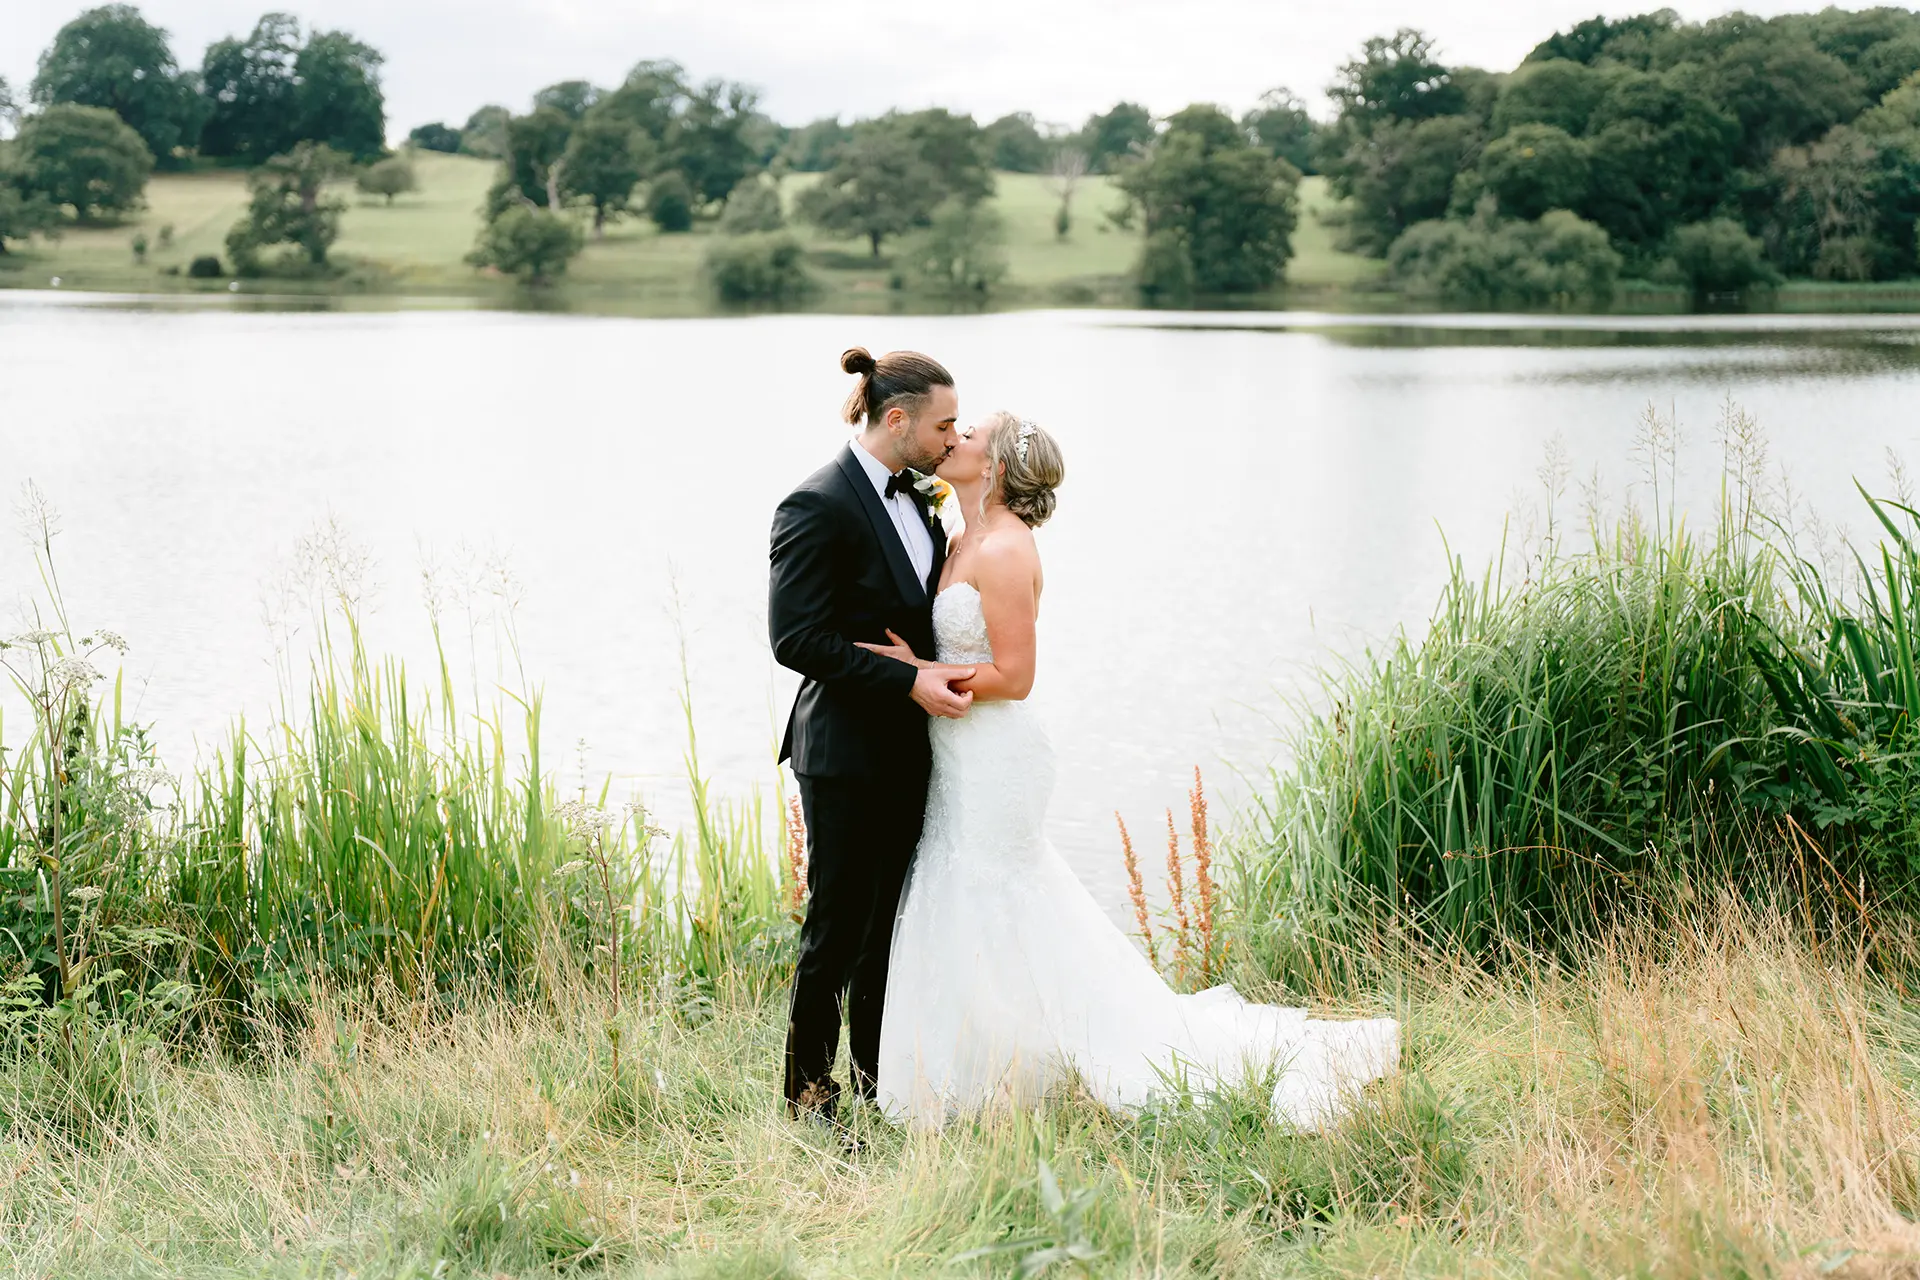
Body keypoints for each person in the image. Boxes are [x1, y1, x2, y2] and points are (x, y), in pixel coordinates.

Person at [862, 412, 1400, 1129]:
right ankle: (985, 1071)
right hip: (958, 749)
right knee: (967, 894)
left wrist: (920, 670)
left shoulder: (1006, 550)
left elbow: (1015, 676)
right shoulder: (961, 538)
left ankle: (1027, 1070)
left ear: (993, 469)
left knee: (994, 893)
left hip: (997, 754)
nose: (953, 440)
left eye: (970, 436)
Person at [766, 346, 976, 1126]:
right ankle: (807, 1099)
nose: (952, 440)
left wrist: (926, 668)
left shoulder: (921, 499)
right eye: (944, 426)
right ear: (897, 420)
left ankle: (873, 1087)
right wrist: (906, 679)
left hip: (908, 751)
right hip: (845, 755)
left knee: (888, 932)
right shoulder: (816, 503)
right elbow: (795, 638)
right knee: (835, 932)